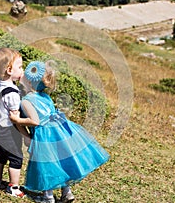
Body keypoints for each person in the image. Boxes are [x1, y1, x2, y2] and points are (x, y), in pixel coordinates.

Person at [10, 61, 110, 203]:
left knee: (47, 165)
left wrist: (17, 120)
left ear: (30, 81)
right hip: (59, 131)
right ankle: (67, 192)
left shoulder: (26, 100)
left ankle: (48, 197)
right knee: (60, 162)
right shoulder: (45, 96)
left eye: (24, 75)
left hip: (44, 135)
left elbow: (35, 121)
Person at [0, 47, 37, 198]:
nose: (22, 70)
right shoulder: (13, 94)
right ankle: (13, 187)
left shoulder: (2, 84)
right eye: (20, 67)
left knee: (1, 155)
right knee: (16, 157)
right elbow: (15, 120)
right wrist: (26, 135)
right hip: (7, 130)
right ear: (9, 70)